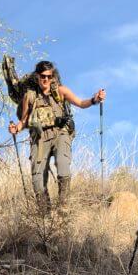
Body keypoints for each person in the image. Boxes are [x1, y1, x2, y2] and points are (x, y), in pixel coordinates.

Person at [8, 61, 106, 211]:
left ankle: (63, 205)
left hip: (60, 133)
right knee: (37, 179)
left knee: (62, 164)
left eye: (49, 76)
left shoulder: (61, 91)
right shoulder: (30, 96)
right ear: (37, 77)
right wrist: (16, 128)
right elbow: (24, 120)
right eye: (42, 77)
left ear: (53, 77)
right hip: (39, 137)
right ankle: (44, 213)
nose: (46, 80)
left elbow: (80, 102)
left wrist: (95, 99)